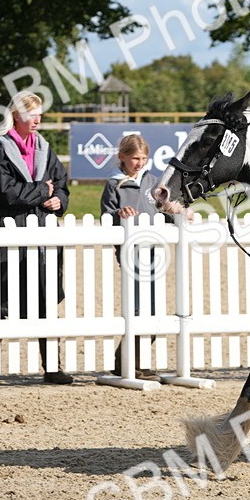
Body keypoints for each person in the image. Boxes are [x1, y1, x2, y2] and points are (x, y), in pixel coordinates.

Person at [0, 91, 73, 385]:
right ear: (16, 116)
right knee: (0, 302)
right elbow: (4, 192)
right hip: (9, 234)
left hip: (41, 234)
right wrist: (43, 192)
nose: (37, 119)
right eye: (32, 114)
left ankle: (52, 366)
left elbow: (61, 182)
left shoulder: (44, 147)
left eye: (39, 114)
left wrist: (59, 199)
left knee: (46, 301)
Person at [100, 134, 160, 379]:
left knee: (152, 309)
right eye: (135, 158)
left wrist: (179, 212)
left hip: (154, 251)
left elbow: (165, 208)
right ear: (122, 157)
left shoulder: (154, 182)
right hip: (128, 253)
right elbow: (105, 216)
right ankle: (125, 361)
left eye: (144, 158)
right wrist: (118, 213)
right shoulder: (114, 185)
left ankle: (136, 360)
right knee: (136, 307)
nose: (140, 162)